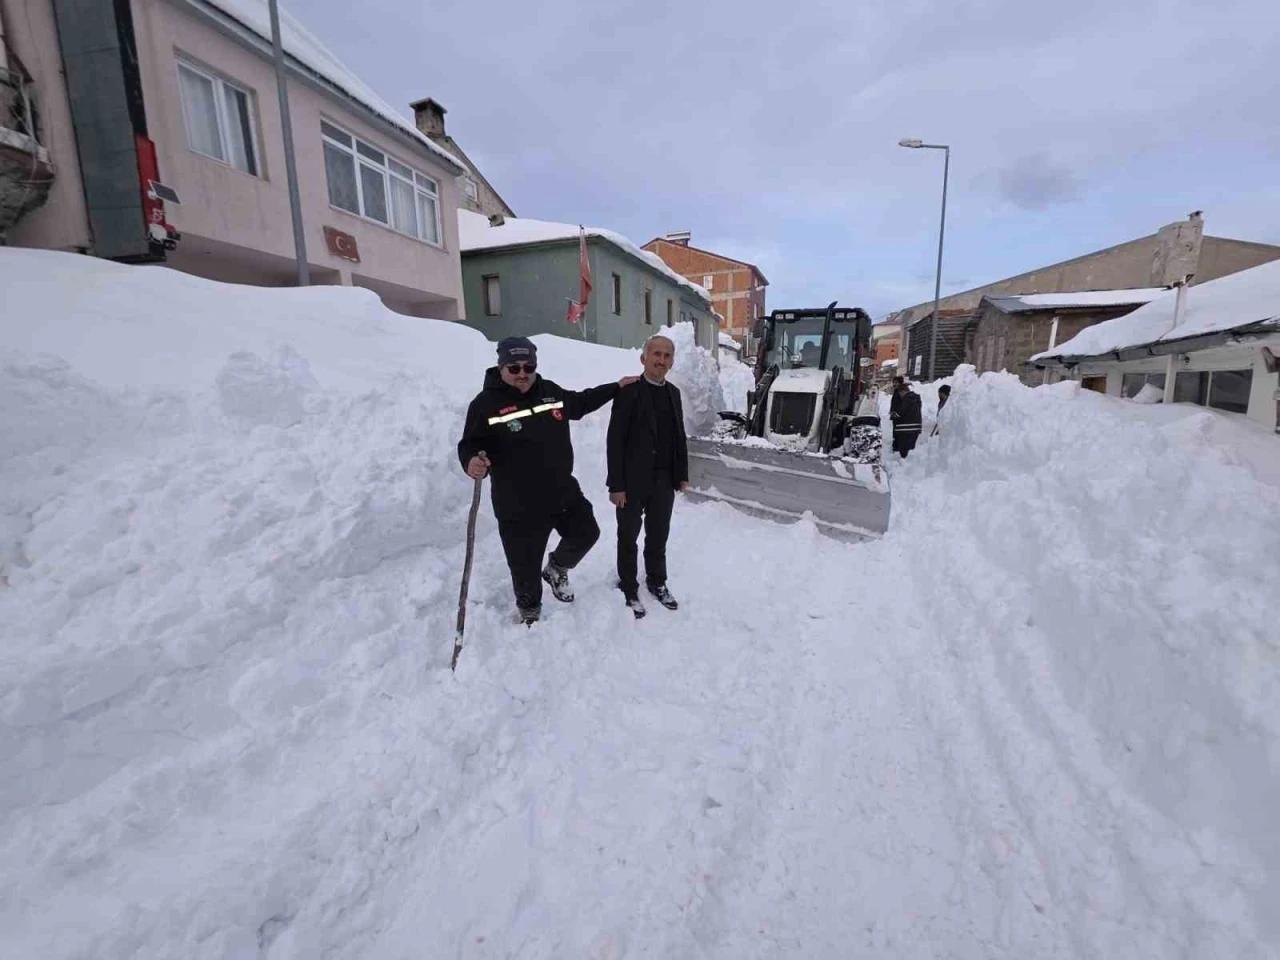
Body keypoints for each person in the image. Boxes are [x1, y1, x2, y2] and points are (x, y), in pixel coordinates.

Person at [457, 336, 638, 624]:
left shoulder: (549, 392)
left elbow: (581, 402)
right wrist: (471, 462)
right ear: (501, 368)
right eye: (514, 368)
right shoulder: (485, 404)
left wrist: (615, 388)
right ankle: (530, 612)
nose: (522, 374)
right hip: (518, 503)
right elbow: (469, 444)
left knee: (586, 532)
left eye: (528, 367)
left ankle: (556, 568)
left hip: (561, 491)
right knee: (525, 566)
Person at [606, 334, 690, 618]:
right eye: (656, 354)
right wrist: (616, 485)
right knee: (628, 535)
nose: (661, 360)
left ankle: (657, 581)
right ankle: (628, 586)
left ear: (672, 361)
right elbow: (615, 440)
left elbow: (679, 436)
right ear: (644, 358)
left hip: (663, 479)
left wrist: (681, 474)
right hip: (631, 481)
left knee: (658, 534)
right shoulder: (628, 392)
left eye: (667, 355)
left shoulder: (673, 393)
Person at [889, 380, 922, 458]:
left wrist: (893, 414)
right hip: (916, 427)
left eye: (900, 393)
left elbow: (900, 412)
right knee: (910, 449)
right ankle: (907, 462)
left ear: (903, 391)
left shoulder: (907, 399)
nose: (900, 396)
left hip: (905, 428)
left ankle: (903, 461)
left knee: (904, 450)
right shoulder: (916, 399)